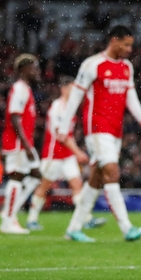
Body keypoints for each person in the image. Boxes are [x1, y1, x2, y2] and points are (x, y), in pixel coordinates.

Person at [59, 25, 141, 243]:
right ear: (114, 40)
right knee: (112, 172)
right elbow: (75, 97)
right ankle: (127, 228)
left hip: (115, 130)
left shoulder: (127, 67)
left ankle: (74, 228)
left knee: (97, 178)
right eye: (126, 44)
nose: (130, 49)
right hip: (97, 129)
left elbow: (131, 96)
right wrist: (64, 127)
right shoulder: (93, 65)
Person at [26, 76, 90, 231]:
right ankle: (32, 219)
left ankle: (85, 219)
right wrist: (78, 152)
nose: (75, 91)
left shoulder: (70, 107)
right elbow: (61, 135)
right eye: (72, 87)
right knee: (44, 186)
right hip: (53, 154)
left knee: (77, 184)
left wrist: (74, 152)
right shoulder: (58, 107)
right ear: (64, 88)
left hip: (67, 155)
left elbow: (69, 134)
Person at [0, 53, 42, 234]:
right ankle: (8, 222)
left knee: (36, 175)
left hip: (24, 142)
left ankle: (9, 212)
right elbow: (15, 117)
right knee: (16, 177)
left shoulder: (25, 88)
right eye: (34, 68)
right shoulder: (19, 89)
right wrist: (25, 145)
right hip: (17, 143)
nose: (37, 71)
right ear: (24, 70)